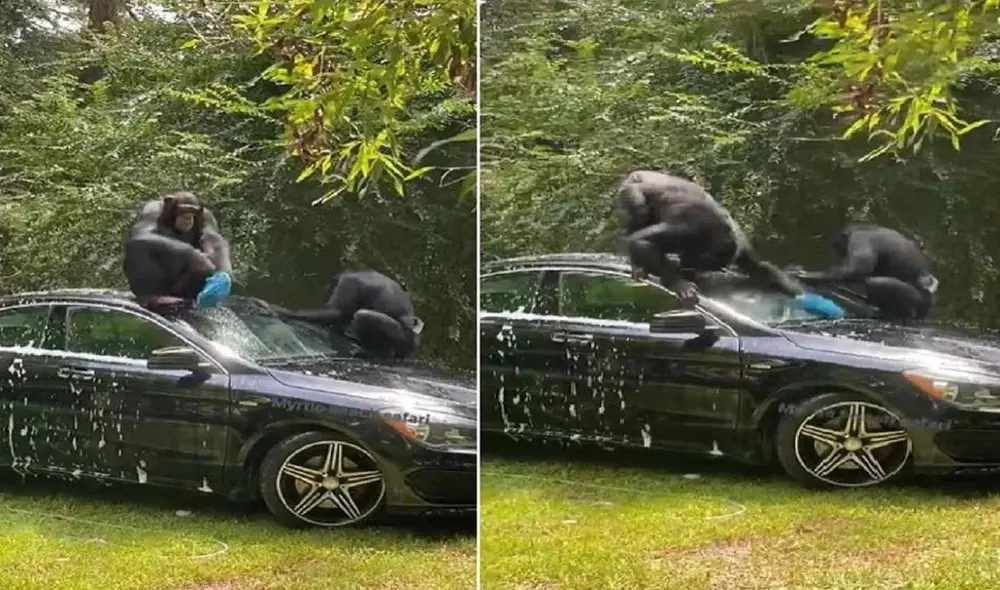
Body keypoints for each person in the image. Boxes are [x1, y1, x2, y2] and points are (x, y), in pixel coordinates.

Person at [615, 170, 845, 319]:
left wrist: (799, 295)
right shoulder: (684, 228)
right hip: (644, 188)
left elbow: (758, 268)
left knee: (753, 266)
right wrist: (674, 281)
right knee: (643, 233)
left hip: (706, 215)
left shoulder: (734, 242)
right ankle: (657, 270)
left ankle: (813, 301)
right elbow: (639, 236)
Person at [790, 223, 938, 321]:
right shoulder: (878, 234)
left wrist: (810, 277)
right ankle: (886, 314)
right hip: (916, 295)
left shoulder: (859, 237)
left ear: (844, 239)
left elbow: (854, 271)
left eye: (844, 253)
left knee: (872, 283)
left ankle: (887, 317)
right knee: (863, 284)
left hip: (914, 296)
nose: (846, 256)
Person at [123, 191, 233, 311]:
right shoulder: (155, 211)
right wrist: (190, 253)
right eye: (183, 212)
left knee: (209, 260)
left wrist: (224, 273)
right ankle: (150, 297)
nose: (188, 218)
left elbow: (216, 242)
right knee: (139, 248)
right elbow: (139, 238)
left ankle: (197, 299)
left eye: (193, 213)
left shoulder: (204, 217)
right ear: (170, 208)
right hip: (156, 278)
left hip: (182, 280)